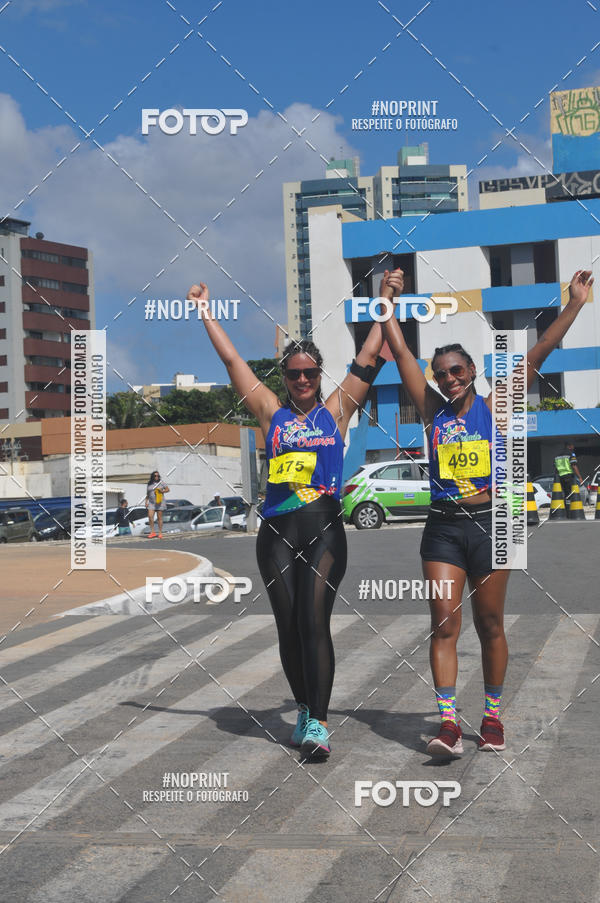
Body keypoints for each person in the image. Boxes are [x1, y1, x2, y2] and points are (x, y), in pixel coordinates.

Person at [380, 267, 594, 756]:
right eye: (442, 374)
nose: (449, 379)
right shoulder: (433, 411)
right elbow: (403, 356)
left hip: (496, 523)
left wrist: (576, 303)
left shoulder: (496, 405)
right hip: (442, 528)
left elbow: (539, 354)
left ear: (473, 371)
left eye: (457, 371)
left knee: (491, 623)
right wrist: (387, 299)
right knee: (443, 623)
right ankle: (449, 724)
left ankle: (492, 716)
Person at [187, 280, 385, 759]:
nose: (302, 381)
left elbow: (366, 358)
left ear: (320, 374)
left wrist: (387, 304)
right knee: (289, 624)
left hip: (323, 528)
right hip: (276, 531)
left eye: (310, 374)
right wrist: (203, 312)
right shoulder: (268, 412)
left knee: (314, 619)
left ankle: (318, 723)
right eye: (295, 374)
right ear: (284, 376)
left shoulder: (336, 410)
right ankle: (302, 706)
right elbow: (233, 362)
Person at [145, 471, 170, 538]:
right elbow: (148, 494)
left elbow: (168, 489)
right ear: (152, 476)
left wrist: (162, 491)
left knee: (159, 518)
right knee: (150, 516)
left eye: (158, 476)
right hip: (151, 503)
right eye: (155, 476)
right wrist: (146, 502)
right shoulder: (149, 483)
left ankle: (160, 533)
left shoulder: (161, 482)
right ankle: (152, 532)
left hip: (160, 502)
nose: (156, 477)